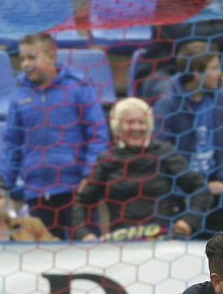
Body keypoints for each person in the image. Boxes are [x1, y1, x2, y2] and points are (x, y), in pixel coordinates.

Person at [2, 32, 109, 239]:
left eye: (31, 58)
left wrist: (89, 175)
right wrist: (4, 185)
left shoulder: (79, 87)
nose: (25, 64)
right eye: (22, 58)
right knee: (45, 259)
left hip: (76, 189)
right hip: (37, 192)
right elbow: (12, 145)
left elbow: (97, 135)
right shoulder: (19, 97)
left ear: (51, 56)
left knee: (86, 254)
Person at [73, 97, 212, 242]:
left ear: (150, 125)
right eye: (129, 122)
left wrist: (189, 221)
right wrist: (84, 234)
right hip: (120, 244)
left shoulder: (164, 152)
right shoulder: (107, 159)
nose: (136, 128)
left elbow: (200, 187)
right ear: (117, 127)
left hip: (162, 242)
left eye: (141, 122)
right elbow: (81, 202)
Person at [151, 41, 223, 237]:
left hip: (217, 193)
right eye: (214, 68)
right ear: (197, 72)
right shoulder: (167, 105)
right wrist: (187, 190)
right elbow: (161, 154)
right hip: (181, 195)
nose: (221, 73)